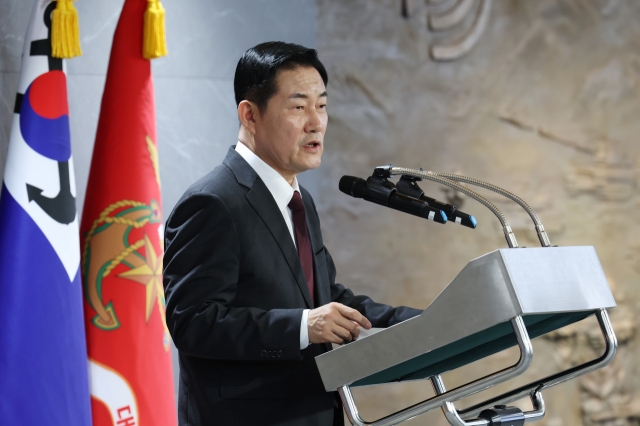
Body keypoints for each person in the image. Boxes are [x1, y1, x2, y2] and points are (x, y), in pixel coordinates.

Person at [163, 41, 422, 426]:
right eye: (299, 107)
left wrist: (432, 323)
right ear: (250, 115)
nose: (316, 122)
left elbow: (327, 300)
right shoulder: (213, 202)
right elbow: (193, 322)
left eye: (322, 105)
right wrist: (303, 326)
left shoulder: (299, 201)